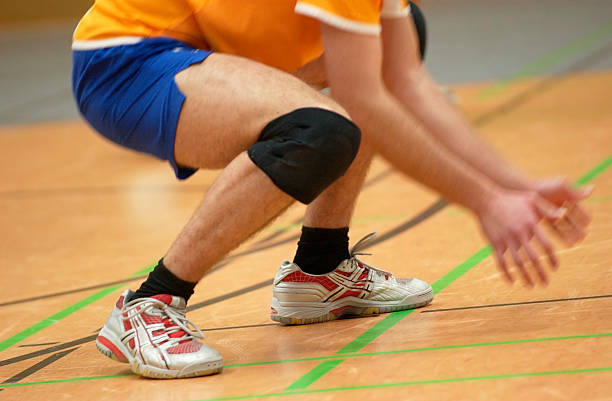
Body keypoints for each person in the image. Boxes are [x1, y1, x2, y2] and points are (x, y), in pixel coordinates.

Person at [71, 0, 592, 379]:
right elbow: (368, 103)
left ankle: (319, 270)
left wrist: (514, 188)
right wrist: (485, 202)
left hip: (204, 52)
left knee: (392, 41)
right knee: (319, 130)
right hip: (124, 62)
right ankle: (149, 304)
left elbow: (402, 82)